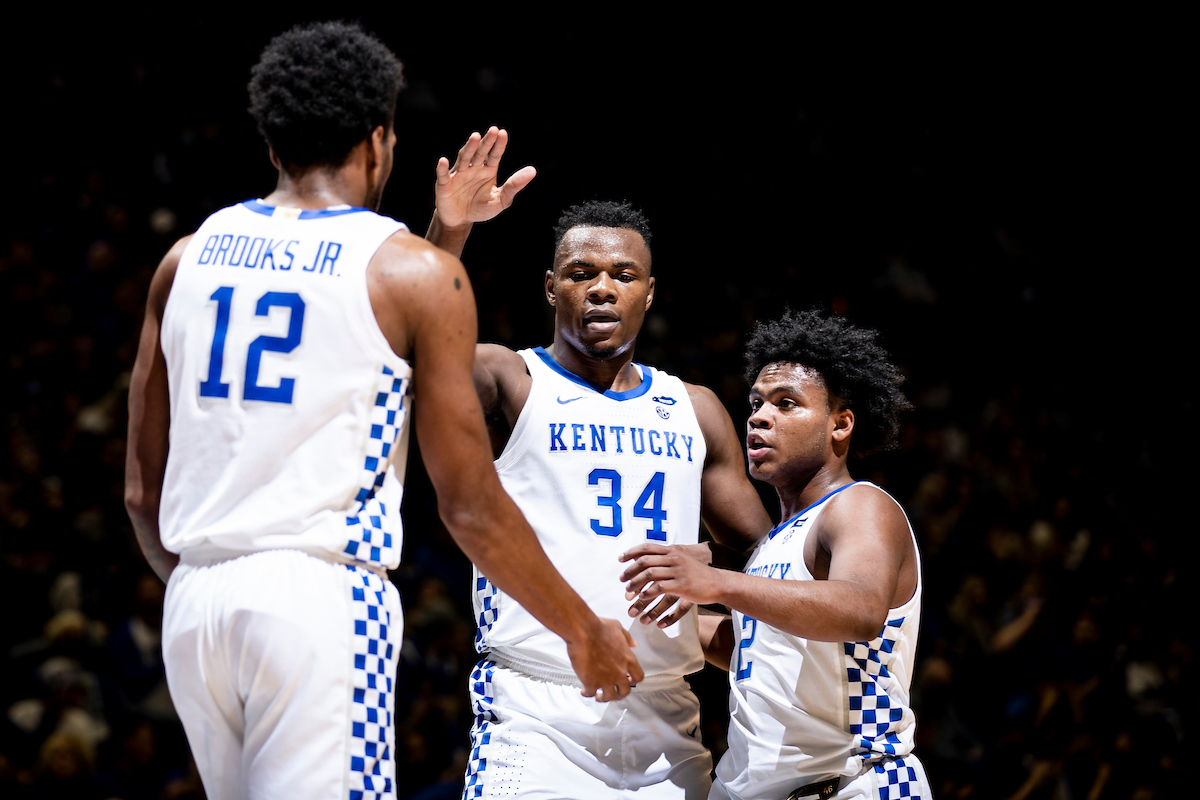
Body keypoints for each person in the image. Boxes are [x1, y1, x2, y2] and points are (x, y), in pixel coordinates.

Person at [123, 23, 641, 800]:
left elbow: (140, 491)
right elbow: (468, 506)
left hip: (196, 601)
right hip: (319, 599)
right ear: (378, 142)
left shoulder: (184, 258)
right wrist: (582, 629)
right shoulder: (410, 272)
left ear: (271, 143)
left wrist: (207, 578)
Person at [424, 132, 773, 799]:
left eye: (623, 275)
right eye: (582, 274)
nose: (602, 288)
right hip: (536, 710)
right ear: (551, 289)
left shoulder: (693, 409)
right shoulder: (508, 378)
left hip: (668, 724)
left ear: (650, 293)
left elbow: (765, 559)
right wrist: (450, 229)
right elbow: (406, 351)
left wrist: (713, 581)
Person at [620, 309, 931, 800]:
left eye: (787, 404)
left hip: (852, 784)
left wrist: (718, 583)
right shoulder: (773, 543)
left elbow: (860, 610)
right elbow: (759, 650)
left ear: (840, 424)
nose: (760, 417)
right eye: (757, 403)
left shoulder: (860, 505)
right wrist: (642, 619)